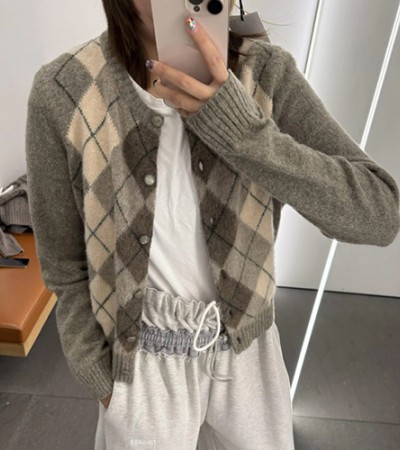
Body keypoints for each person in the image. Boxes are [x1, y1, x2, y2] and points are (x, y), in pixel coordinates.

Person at [25, 0, 400, 449]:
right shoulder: (64, 90)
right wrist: (100, 377)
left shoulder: (266, 74)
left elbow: (380, 215)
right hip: (140, 365)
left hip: (249, 352)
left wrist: (242, 131)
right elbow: (64, 264)